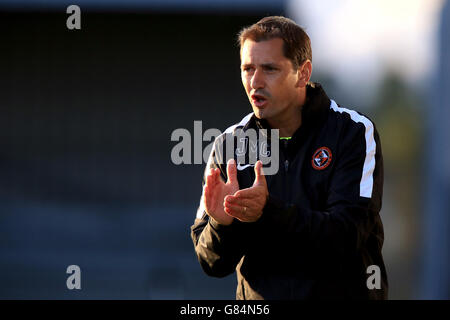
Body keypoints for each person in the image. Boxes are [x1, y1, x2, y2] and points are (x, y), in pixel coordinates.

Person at [190, 16, 388, 299]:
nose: (255, 81)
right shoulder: (228, 144)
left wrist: (268, 212)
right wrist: (222, 225)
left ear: (303, 73)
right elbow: (211, 262)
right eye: (248, 69)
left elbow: (347, 237)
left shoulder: (353, 132)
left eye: (269, 69)